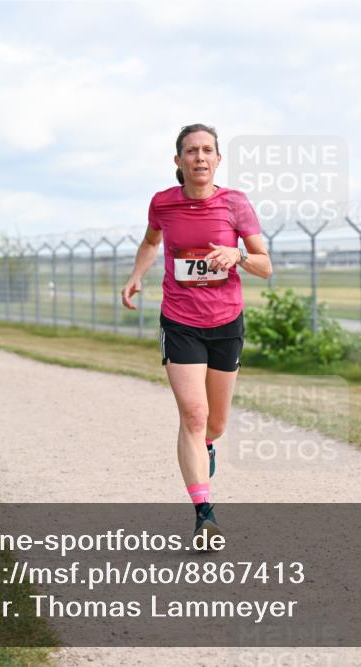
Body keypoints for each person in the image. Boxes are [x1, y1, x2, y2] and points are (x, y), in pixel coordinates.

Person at [122, 124, 272, 542]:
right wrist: (137, 275)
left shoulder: (236, 204)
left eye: (207, 151)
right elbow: (151, 242)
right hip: (180, 320)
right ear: (179, 161)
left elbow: (265, 265)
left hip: (226, 323)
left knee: (215, 424)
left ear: (218, 160)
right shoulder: (162, 204)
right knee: (193, 414)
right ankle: (204, 513)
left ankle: (206, 445)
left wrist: (237, 255)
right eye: (191, 151)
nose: (200, 158)